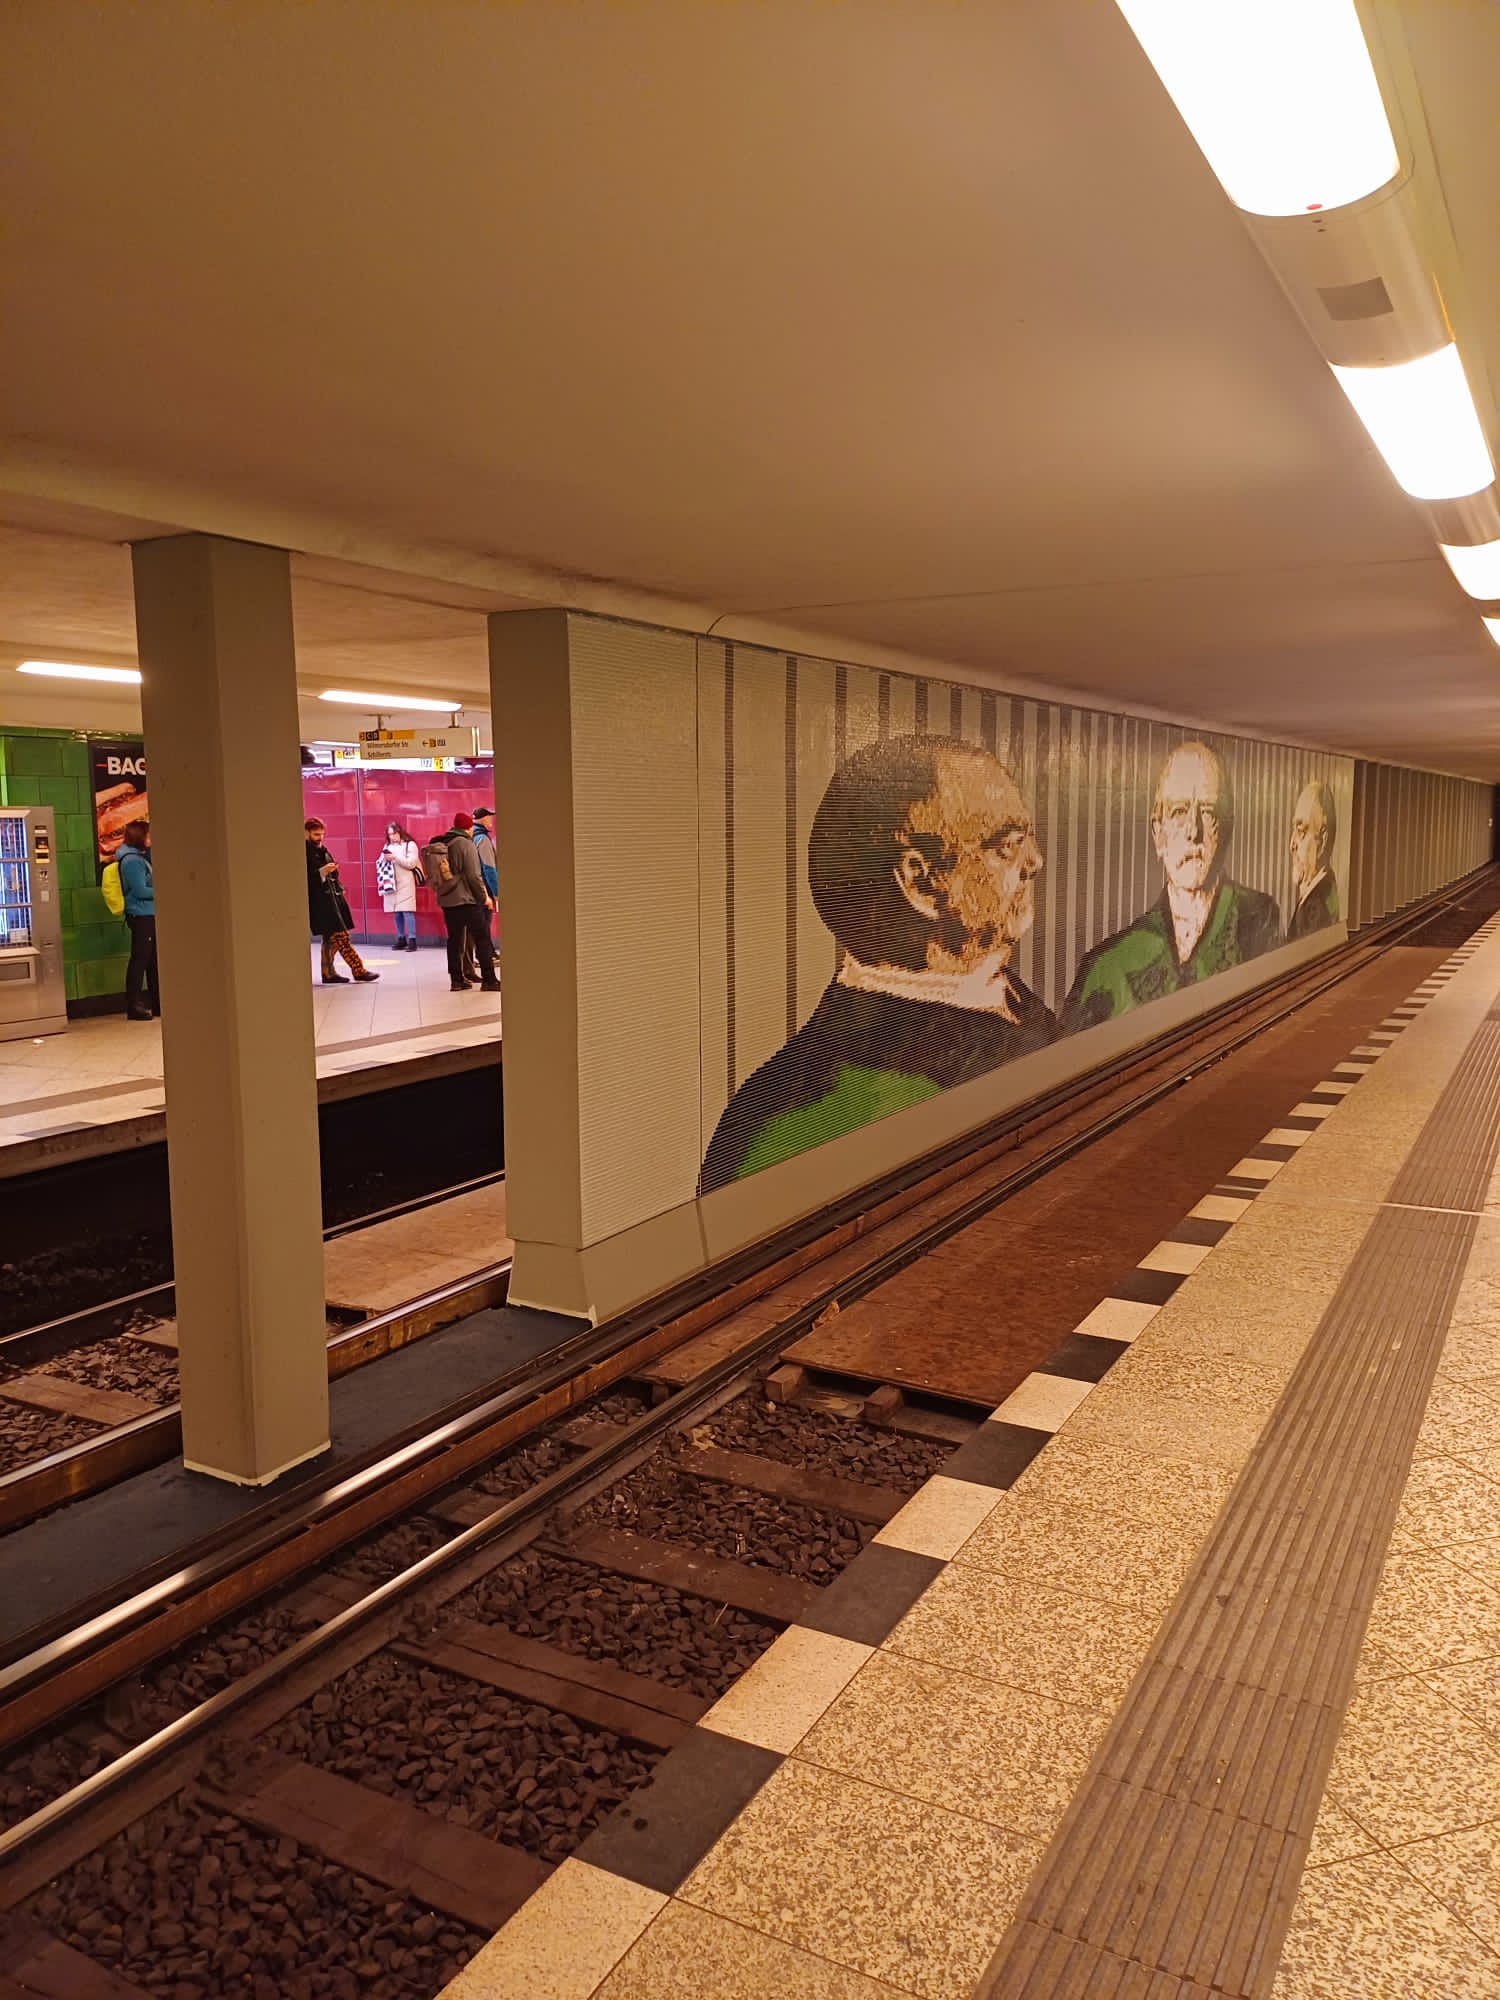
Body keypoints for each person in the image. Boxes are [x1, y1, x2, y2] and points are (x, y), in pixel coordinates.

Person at [700, 736, 1053, 1193]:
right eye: (1007, 845)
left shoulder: (1012, 1003)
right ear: (920, 883)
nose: (1035, 861)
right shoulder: (792, 1118)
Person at [1062, 741, 1281, 1033]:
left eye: (1208, 813)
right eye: (1179, 812)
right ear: (1158, 832)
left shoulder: (1258, 917)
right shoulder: (1107, 966)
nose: (1193, 831)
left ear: (1226, 828)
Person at [421, 812, 499, 994]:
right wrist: (484, 897)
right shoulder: (465, 844)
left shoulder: (445, 842)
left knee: (454, 940)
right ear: (468, 828)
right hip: (466, 901)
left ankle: (456, 981)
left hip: (448, 901)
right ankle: (489, 979)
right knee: (482, 938)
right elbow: (473, 875)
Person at [305, 818, 379, 984]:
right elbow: (306, 878)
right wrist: (322, 872)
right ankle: (358, 970)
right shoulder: (306, 852)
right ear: (306, 833)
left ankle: (328, 973)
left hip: (332, 900)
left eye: (322, 834)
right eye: (316, 834)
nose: (320, 837)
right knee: (342, 937)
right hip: (322, 903)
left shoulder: (321, 850)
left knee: (330, 939)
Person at [1287, 780, 1341, 940]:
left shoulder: (1316, 909)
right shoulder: (1324, 892)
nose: (1292, 844)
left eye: (1301, 831)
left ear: (1322, 840)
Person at [117, 819, 159, 1021]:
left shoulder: (140, 857)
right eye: (149, 834)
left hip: (148, 913)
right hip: (141, 914)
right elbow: (140, 890)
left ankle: (157, 1002)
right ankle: (134, 1005)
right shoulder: (132, 861)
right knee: (140, 960)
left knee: (153, 961)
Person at [379, 821, 422, 950]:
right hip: (392, 881)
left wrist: (395, 857)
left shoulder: (410, 845)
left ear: (399, 832)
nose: (392, 837)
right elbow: (380, 860)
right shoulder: (387, 846)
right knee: (396, 912)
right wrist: (385, 858)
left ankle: (412, 939)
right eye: (389, 834)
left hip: (406, 882)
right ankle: (401, 937)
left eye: (394, 833)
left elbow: (411, 863)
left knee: (407, 910)